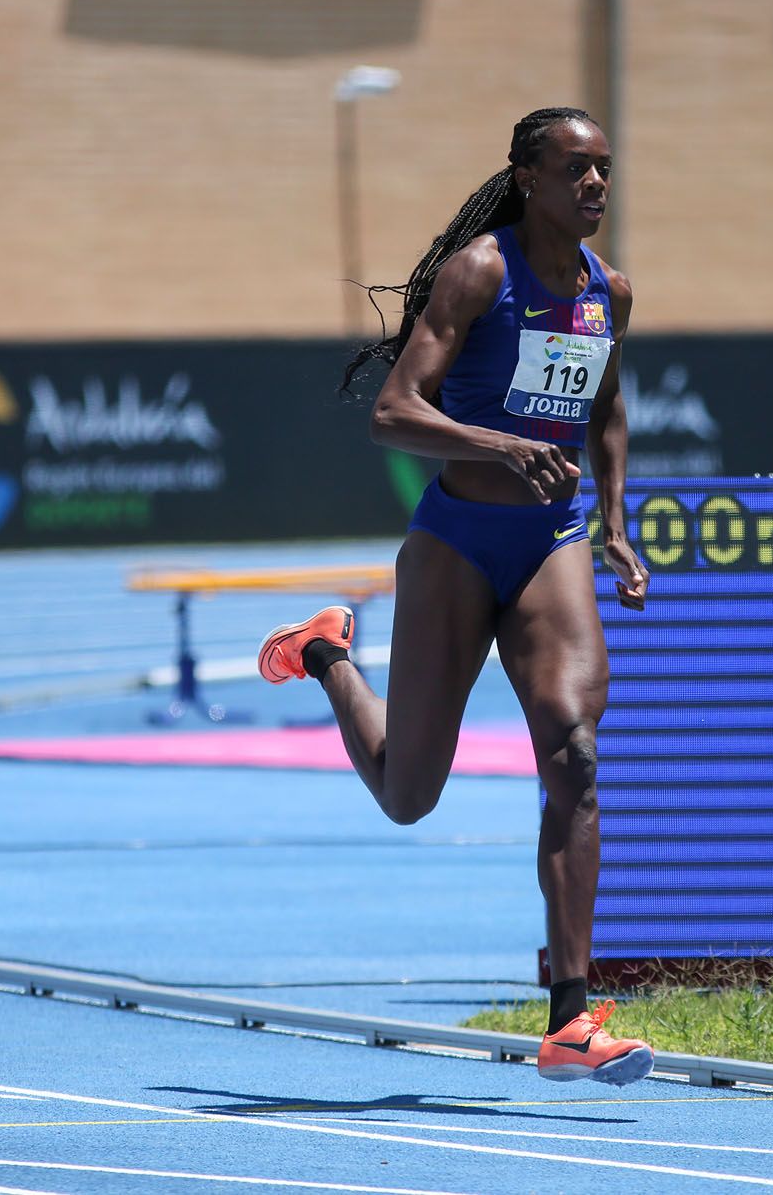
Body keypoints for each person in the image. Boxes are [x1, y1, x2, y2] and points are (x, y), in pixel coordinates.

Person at [258, 107, 654, 1085]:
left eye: (605, 169)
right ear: (527, 176)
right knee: (408, 792)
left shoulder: (609, 291)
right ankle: (323, 653)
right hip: (455, 542)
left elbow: (604, 409)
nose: (595, 186)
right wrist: (501, 445)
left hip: (548, 543)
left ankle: (570, 1017)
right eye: (575, 169)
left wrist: (613, 522)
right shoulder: (481, 270)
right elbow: (394, 411)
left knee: (573, 748)